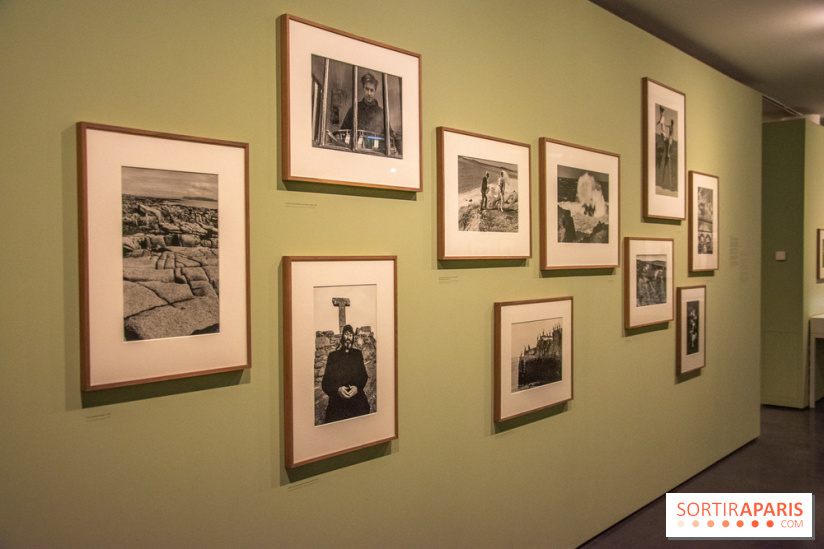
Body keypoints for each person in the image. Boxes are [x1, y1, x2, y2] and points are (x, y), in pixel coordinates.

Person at [321, 324, 370, 424]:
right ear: (342, 336)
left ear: (353, 338)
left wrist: (357, 388)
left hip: (356, 397)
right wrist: (337, 389)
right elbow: (325, 382)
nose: (348, 337)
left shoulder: (357, 354)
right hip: (338, 399)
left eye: (351, 335)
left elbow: (363, 376)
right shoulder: (333, 356)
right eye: (346, 334)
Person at [340, 72, 399, 154]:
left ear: (375, 91)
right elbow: (343, 131)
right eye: (367, 89)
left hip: (376, 154)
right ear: (363, 89)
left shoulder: (382, 113)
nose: (369, 93)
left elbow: (389, 134)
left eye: (371, 90)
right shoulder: (354, 109)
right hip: (357, 153)